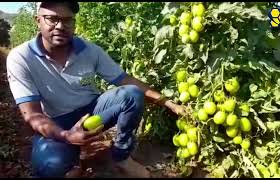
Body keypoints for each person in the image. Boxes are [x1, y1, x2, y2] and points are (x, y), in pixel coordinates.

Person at [6, 2, 185, 178]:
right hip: (56, 122)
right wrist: (66, 135)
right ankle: (72, 155)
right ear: (37, 20)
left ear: (74, 23)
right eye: (52, 19)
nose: (60, 26)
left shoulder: (89, 50)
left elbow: (125, 79)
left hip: (92, 115)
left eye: (68, 20)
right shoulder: (21, 58)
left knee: (131, 94)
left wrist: (168, 102)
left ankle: (121, 157)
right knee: (50, 165)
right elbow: (32, 115)